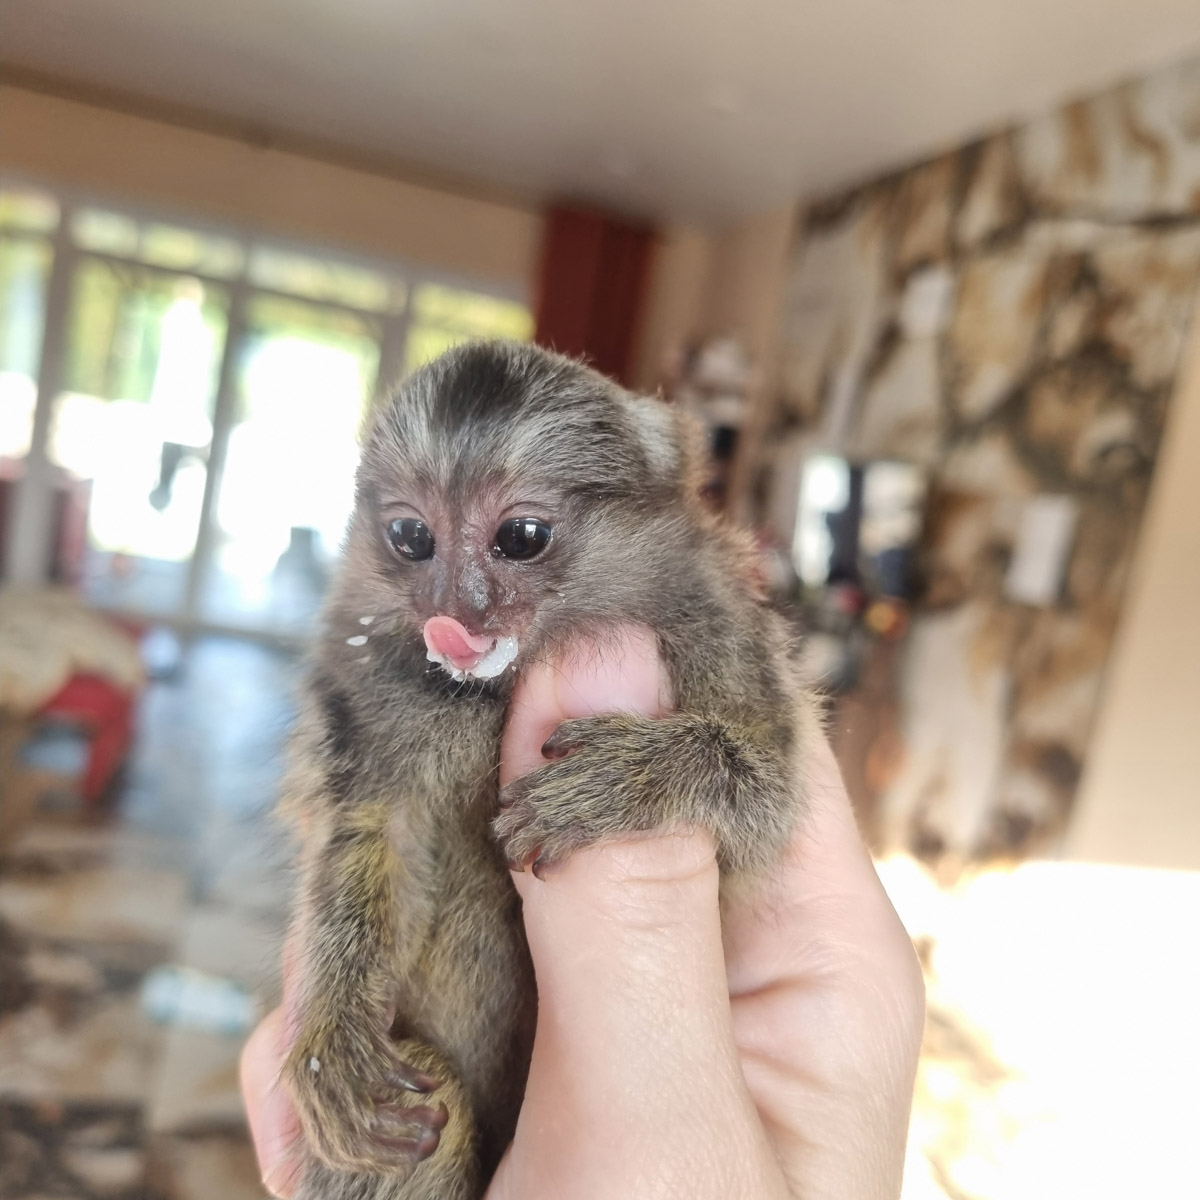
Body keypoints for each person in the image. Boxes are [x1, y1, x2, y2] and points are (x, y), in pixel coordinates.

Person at [241, 626, 925, 1199]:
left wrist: (680, 768)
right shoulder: (406, 651)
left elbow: (769, 799)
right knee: (395, 1129)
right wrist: (334, 1025)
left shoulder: (691, 617)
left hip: (666, 1098)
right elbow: (358, 819)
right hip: (434, 1090)